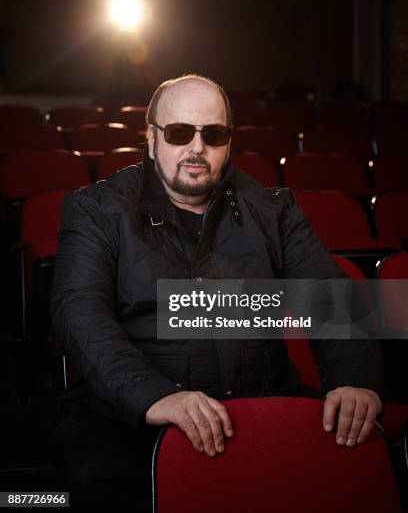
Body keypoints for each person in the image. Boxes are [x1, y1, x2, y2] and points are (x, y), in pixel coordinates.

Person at [50, 74, 385, 510]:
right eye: (178, 133)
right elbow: (79, 316)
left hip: (259, 398)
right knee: (92, 478)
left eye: (213, 134)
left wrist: (356, 382)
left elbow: (333, 300)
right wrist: (156, 396)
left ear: (228, 141)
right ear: (151, 139)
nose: (196, 148)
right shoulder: (97, 210)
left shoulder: (273, 208)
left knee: (357, 462)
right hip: (129, 410)